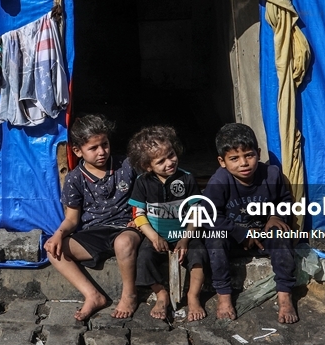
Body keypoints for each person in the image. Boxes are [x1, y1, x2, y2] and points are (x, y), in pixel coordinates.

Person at [44, 114, 141, 321]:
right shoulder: (75, 179)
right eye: (93, 148)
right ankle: (93, 295)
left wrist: (141, 218)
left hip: (124, 227)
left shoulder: (126, 166)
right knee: (54, 251)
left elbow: (146, 194)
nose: (102, 152)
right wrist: (59, 235)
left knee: (124, 242)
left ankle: (129, 295)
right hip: (94, 232)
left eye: (104, 144)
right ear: (78, 151)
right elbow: (72, 219)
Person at [203, 123, 299, 324]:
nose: (243, 163)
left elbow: (285, 200)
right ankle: (224, 295)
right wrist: (241, 233)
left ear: (259, 152)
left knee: (282, 236)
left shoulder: (271, 174)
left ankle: (285, 295)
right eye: (234, 159)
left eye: (249, 155)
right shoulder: (219, 181)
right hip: (233, 238)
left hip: (263, 236)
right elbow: (211, 216)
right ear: (222, 161)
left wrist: (275, 217)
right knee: (214, 239)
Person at [127, 126, 208, 321]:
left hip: (185, 233)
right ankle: (161, 294)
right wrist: (153, 237)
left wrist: (185, 239)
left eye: (171, 155)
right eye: (160, 161)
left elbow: (196, 212)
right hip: (157, 235)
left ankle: (193, 296)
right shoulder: (142, 182)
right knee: (144, 257)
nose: (169, 162)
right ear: (148, 166)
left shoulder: (186, 178)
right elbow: (139, 214)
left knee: (199, 256)